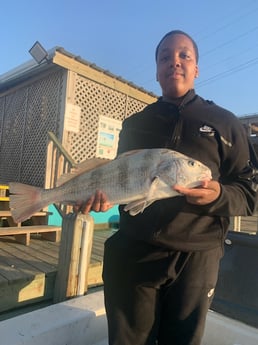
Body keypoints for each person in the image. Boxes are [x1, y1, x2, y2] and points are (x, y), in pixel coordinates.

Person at [75, 30, 257, 345]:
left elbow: (249, 191)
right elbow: (122, 184)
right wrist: (105, 200)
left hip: (197, 260)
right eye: (164, 57)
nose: (174, 62)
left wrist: (218, 195)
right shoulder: (135, 124)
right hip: (133, 254)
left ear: (197, 68)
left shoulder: (226, 124)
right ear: (157, 71)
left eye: (184, 55)